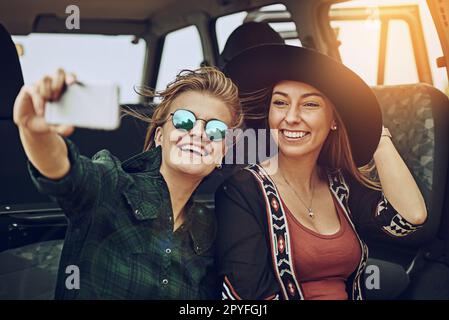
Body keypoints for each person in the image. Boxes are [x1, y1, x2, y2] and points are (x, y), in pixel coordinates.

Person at [215, 24, 427, 300]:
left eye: (310, 105)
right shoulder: (242, 191)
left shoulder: (341, 185)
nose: (291, 117)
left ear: (334, 121)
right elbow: (248, 297)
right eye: (280, 103)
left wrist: (378, 135)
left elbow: (410, 217)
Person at [13, 66, 242, 299]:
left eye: (215, 129)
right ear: (160, 136)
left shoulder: (211, 228)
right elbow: (64, 171)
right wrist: (35, 131)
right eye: (184, 120)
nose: (199, 133)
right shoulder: (111, 185)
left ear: (222, 152)